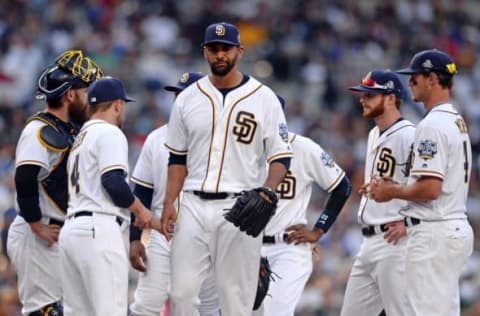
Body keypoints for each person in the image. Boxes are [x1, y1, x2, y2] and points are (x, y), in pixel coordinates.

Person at [159, 22, 293, 316]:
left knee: (236, 302)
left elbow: (281, 156)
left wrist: (268, 190)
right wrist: (170, 202)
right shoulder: (187, 98)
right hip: (192, 203)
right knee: (180, 294)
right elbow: (177, 159)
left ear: (239, 51)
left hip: (240, 206)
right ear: (205, 52)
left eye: (226, 49)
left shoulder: (264, 98)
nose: (220, 55)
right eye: (214, 49)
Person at [370, 49, 474, 316]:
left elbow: (430, 189)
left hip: (434, 232)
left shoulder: (433, 124)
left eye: (414, 78)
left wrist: (392, 190)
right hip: (450, 227)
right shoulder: (455, 119)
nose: (410, 83)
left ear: (432, 79)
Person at [7, 50, 103, 316]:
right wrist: (37, 225)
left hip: (61, 233)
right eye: (86, 92)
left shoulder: (70, 129)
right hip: (40, 232)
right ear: (69, 94)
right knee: (45, 311)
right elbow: (25, 177)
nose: (90, 100)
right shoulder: (38, 130)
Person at [58, 77, 154, 315]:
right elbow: (113, 182)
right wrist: (140, 210)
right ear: (118, 105)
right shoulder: (109, 132)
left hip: (71, 232)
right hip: (98, 229)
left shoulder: (80, 139)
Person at [129, 72, 220, 316]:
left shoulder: (219, 140)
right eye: (176, 94)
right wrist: (135, 237)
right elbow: (142, 191)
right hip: (162, 233)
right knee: (146, 304)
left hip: (206, 232)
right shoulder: (156, 138)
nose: (179, 99)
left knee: (204, 306)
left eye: (185, 94)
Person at [253, 95, 351, 316]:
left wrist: (319, 229)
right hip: (249, 246)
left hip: (287, 247)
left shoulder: (304, 148)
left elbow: (342, 186)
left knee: (274, 312)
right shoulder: (244, 151)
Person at [339, 70, 415, 316]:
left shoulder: (410, 135)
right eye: (363, 94)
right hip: (369, 242)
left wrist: (411, 223)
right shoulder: (373, 134)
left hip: (395, 242)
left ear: (391, 98)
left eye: (370, 94)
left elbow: (432, 186)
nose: (363, 99)